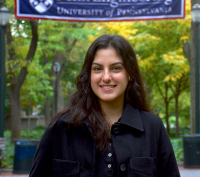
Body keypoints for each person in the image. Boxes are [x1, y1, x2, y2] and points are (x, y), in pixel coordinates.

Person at [29, 34, 180, 177]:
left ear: (129, 74)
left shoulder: (153, 127)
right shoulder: (61, 127)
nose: (106, 77)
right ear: (89, 75)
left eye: (116, 68)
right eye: (97, 69)